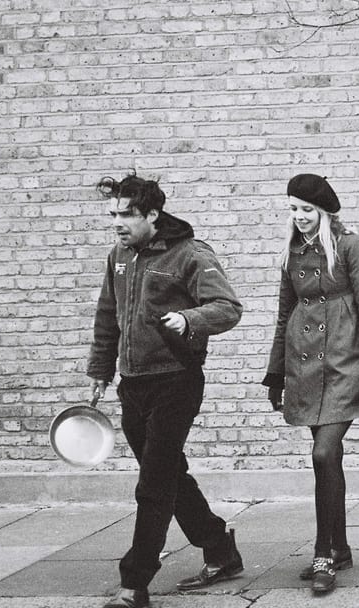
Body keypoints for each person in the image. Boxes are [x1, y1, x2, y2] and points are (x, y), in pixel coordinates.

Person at [86, 173, 245, 608]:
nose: (117, 223)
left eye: (126, 215)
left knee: (153, 483)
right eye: (112, 214)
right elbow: (108, 315)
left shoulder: (190, 254)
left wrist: (189, 320)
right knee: (169, 473)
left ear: (152, 214)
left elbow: (228, 307)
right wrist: (101, 370)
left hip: (176, 380)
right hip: (132, 384)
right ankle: (219, 549)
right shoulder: (119, 255)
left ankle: (134, 583)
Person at [263, 173, 359, 595]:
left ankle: (323, 554)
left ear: (324, 211)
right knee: (328, 459)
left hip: (343, 365)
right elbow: (284, 314)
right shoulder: (292, 252)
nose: (299, 217)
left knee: (322, 453)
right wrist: (275, 373)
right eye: (293, 209)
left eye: (306, 210)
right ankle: (342, 548)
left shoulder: (351, 247)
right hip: (304, 367)